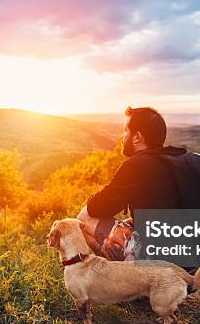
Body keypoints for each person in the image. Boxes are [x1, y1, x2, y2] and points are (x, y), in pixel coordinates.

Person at [77, 106, 189, 263]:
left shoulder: (138, 165)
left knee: (84, 216)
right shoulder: (173, 161)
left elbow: (96, 207)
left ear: (137, 137)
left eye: (125, 131)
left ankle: (123, 278)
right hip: (186, 256)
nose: (122, 136)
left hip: (159, 260)